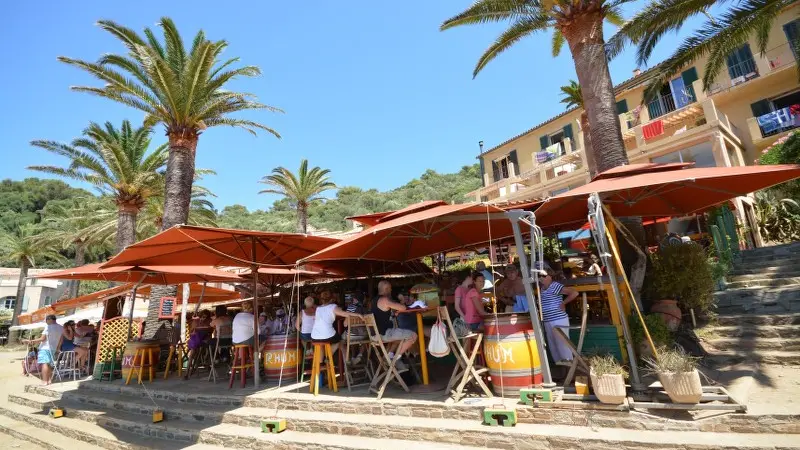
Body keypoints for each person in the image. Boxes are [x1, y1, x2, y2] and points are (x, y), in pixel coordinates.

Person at [371, 280, 417, 371]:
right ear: (386, 289)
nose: (391, 291)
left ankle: (389, 357)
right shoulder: (385, 299)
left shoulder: (374, 300)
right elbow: (403, 308)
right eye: (390, 289)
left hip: (375, 335)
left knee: (398, 336)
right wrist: (403, 300)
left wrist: (393, 314)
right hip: (384, 334)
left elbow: (383, 313)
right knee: (413, 335)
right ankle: (396, 360)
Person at [539, 268, 579, 366]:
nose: (541, 278)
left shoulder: (554, 286)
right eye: (539, 276)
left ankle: (569, 370)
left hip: (558, 320)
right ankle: (562, 371)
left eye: (544, 276)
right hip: (548, 320)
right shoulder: (541, 289)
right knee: (554, 346)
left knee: (563, 345)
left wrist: (564, 303)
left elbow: (574, 293)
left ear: (550, 276)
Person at [311, 288, 362, 355]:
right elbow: (345, 314)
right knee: (339, 340)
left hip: (314, 337)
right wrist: (358, 314)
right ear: (331, 298)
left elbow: (316, 318)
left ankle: (321, 363)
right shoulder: (333, 307)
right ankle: (329, 356)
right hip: (328, 335)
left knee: (322, 344)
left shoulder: (318, 308)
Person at [22, 315, 63, 385]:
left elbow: (42, 339)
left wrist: (31, 341)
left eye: (46, 321)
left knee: (45, 364)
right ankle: (49, 380)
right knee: (49, 364)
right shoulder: (61, 327)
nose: (46, 323)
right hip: (53, 348)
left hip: (45, 348)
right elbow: (61, 339)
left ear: (49, 320)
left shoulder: (48, 327)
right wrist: (58, 348)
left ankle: (44, 381)